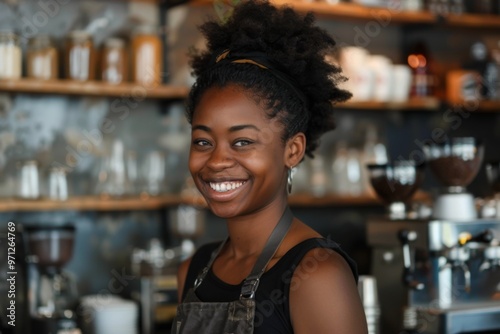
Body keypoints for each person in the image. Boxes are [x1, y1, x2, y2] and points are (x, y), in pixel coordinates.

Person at [173, 1, 368, 333]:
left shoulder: (315, 274)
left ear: (292, 150)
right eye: (203, 142)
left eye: (243, 142)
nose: (217, 161)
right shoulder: (193, 270)